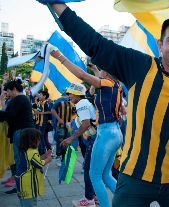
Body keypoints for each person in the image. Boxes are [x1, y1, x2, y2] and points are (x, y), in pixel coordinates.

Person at [41, 2, 169, 206]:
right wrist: (57, 5)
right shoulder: (140, 66)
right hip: (134, 177)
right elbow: (96, 44)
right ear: (160, 45)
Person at [51, 48, 124, 207]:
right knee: (105, 174)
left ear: (106, 74)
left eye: (102, 70)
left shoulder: (106, 83)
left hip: (106, 133)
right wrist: (96, 70)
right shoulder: (117, 87)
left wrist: (60, 57)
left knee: (94, 174)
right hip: (115, 133)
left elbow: (83, 76)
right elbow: (123, 110)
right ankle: (125, 202)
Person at [60, 82, 97, 207]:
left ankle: (89, 199)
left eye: (70, 94)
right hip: (95, 138)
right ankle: (94, 196)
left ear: (77, 94)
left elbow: (86, 123)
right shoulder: (84, 103)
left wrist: (71, 138)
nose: (68, 96)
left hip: (94, 139)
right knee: (96, 170)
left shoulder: (81, 103)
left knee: (88, 169)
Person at [0, 79, 35, 195]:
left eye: (9, 91)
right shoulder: (21, 99)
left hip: (21, 133)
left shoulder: (19, 99)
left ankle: (23, 188)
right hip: (23, 132)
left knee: (20, 161)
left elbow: (8, 115)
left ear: (14, 89)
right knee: (20, 160)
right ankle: (20, 186)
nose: (8, 94)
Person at [15, 128, 52, 207]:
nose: (39, 141)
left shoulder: (26, 150)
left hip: (23, 183)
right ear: (32, 140)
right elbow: (39, 164)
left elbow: (34, 161)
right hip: (27, 184)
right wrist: (48, 159)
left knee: (26, 202)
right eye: (38, 139)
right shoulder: (32, 151)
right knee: (29, 203)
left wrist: (45, 155)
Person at [51, 92, 74, 166]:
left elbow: (74, 112)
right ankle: (58, 156)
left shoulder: (72, 101)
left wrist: (71, 121)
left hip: (69, 125)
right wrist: (59, 119)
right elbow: (52, 110)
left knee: (67, 140)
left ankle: (64, 157)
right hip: (60, 125)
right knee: (60, 140)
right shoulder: (60, 100)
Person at [34, 90, 52, 155]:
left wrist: (40, 113)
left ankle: (42, 152)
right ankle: (46, 151)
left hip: (43, 123)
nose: (39, 96)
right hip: (38, 122)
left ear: (44, 96)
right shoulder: (39, 102)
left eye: (40, 94)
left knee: (41, 137)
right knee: (43, 137)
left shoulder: (46, 103)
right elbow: (38, 110)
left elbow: (50, 111)